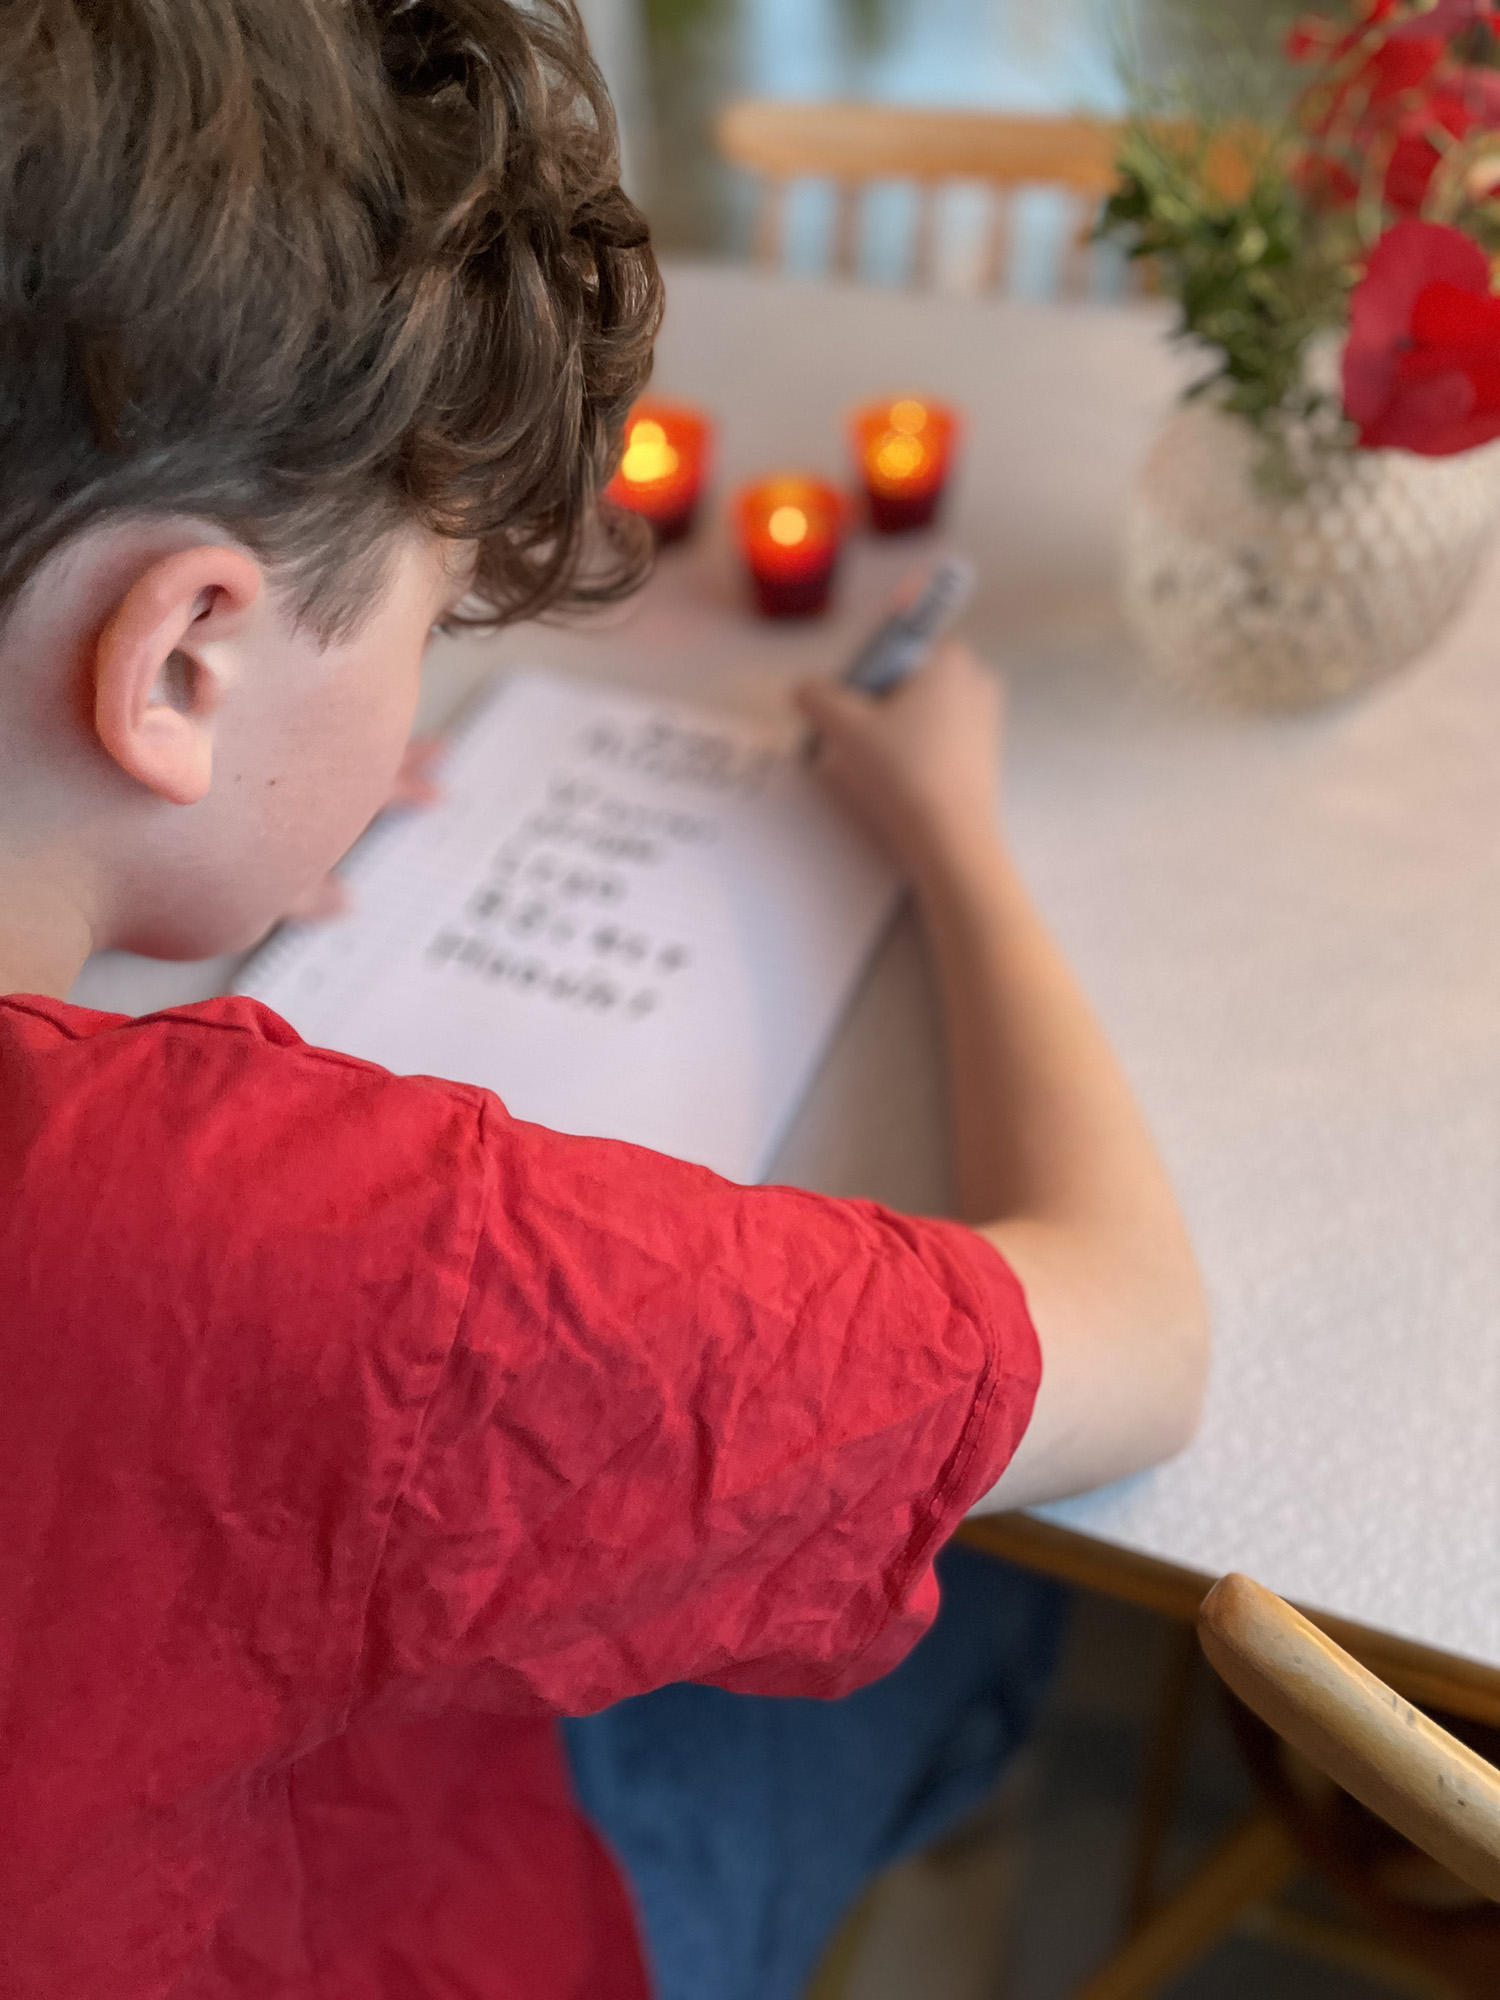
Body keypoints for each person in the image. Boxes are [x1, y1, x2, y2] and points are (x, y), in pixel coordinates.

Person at [0, 4, 1209, 1998]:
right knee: (1009, 1591)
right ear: (184, 662)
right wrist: (949, 842)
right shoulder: (302, 1249)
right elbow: (1138, 1337)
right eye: (423, 614)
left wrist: (172, 833)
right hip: (384, 1910)